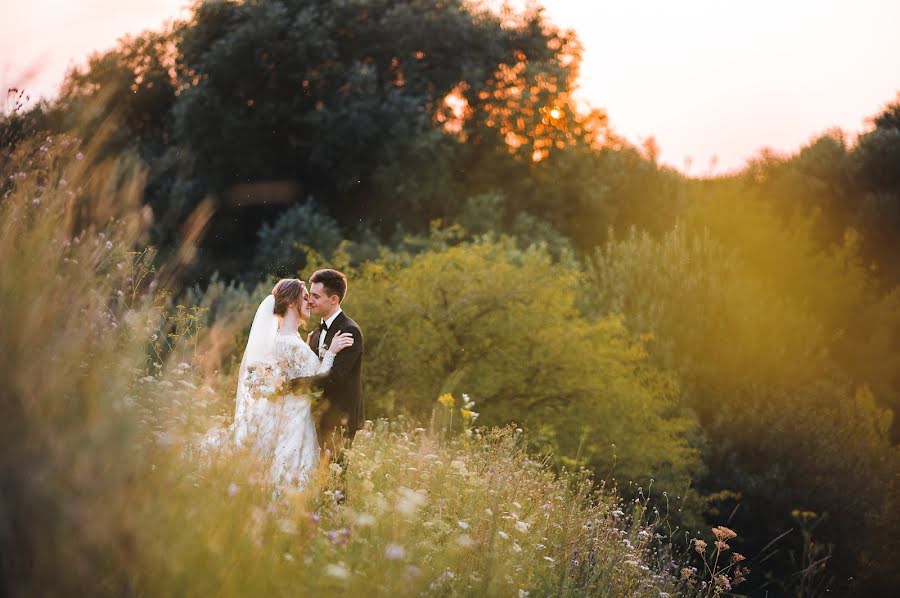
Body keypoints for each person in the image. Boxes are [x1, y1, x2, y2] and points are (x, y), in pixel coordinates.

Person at [232, 279, 353, 489]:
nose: (309, 303)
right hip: (296, 418)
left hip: (290, 412)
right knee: (295, 474)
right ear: (290, 303)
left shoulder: (286, 339)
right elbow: (317, 381)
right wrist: (331, 352)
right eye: (305, 297)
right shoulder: (290, 343)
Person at [304, 269, 365, 454]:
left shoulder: (349, 331)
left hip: (340, 419)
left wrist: (295, 386)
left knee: (334, 478)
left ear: (334, 300)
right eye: (309, 295)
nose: (309, 301)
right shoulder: (315, 334)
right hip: (316, 416)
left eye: (315, 296)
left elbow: (335, 377)